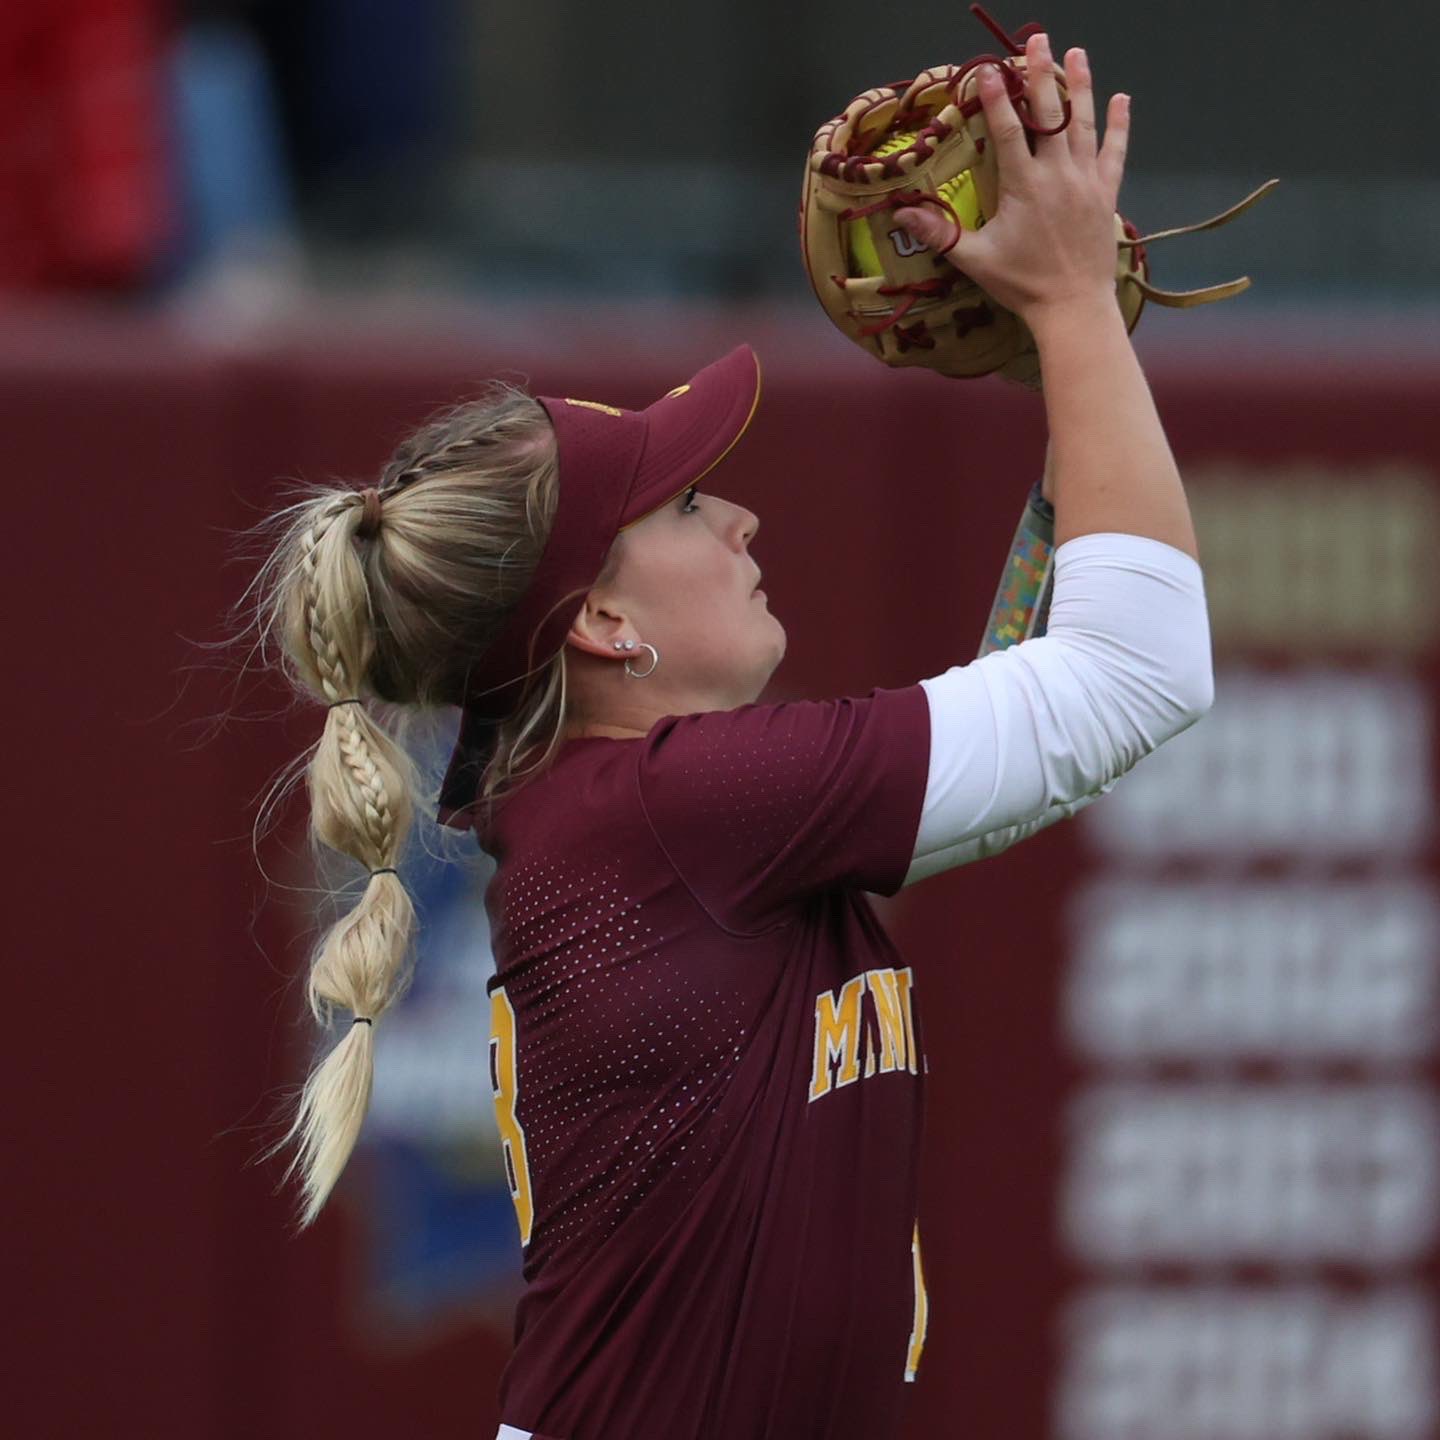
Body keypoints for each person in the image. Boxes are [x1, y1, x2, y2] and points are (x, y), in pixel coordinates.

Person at [243, 32, 1210, 1440]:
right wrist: (1072, 306)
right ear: (601, 621)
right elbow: (1135, 672)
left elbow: (1035, 703)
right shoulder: (675, 816)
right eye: (689, 507)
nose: (743, 518)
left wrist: (1079, 367)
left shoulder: (656, 824)